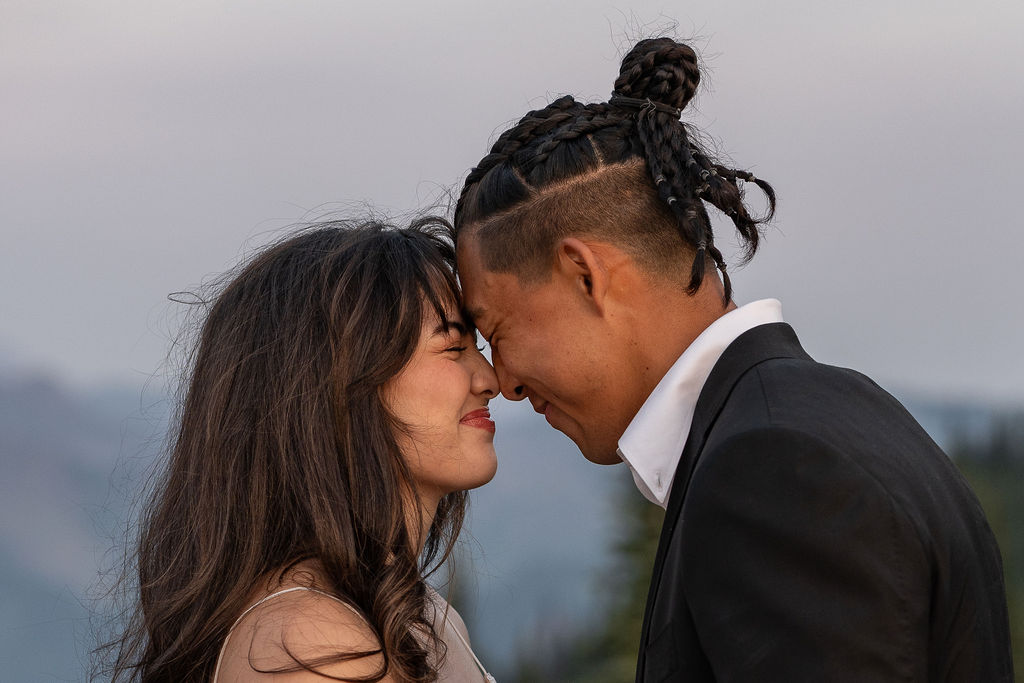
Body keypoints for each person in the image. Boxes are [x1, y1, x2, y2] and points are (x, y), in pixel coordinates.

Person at [452, 37, 1013, 681]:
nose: (504, 380)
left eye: (497, 329)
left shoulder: (774, 470)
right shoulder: (834, 416)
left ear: (585, 275)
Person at [100, 219, 498, 682]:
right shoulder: (311, 648)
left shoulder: (426, 619)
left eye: (479, 345)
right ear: (338, 387)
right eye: (452, 347)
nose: (489, 380)